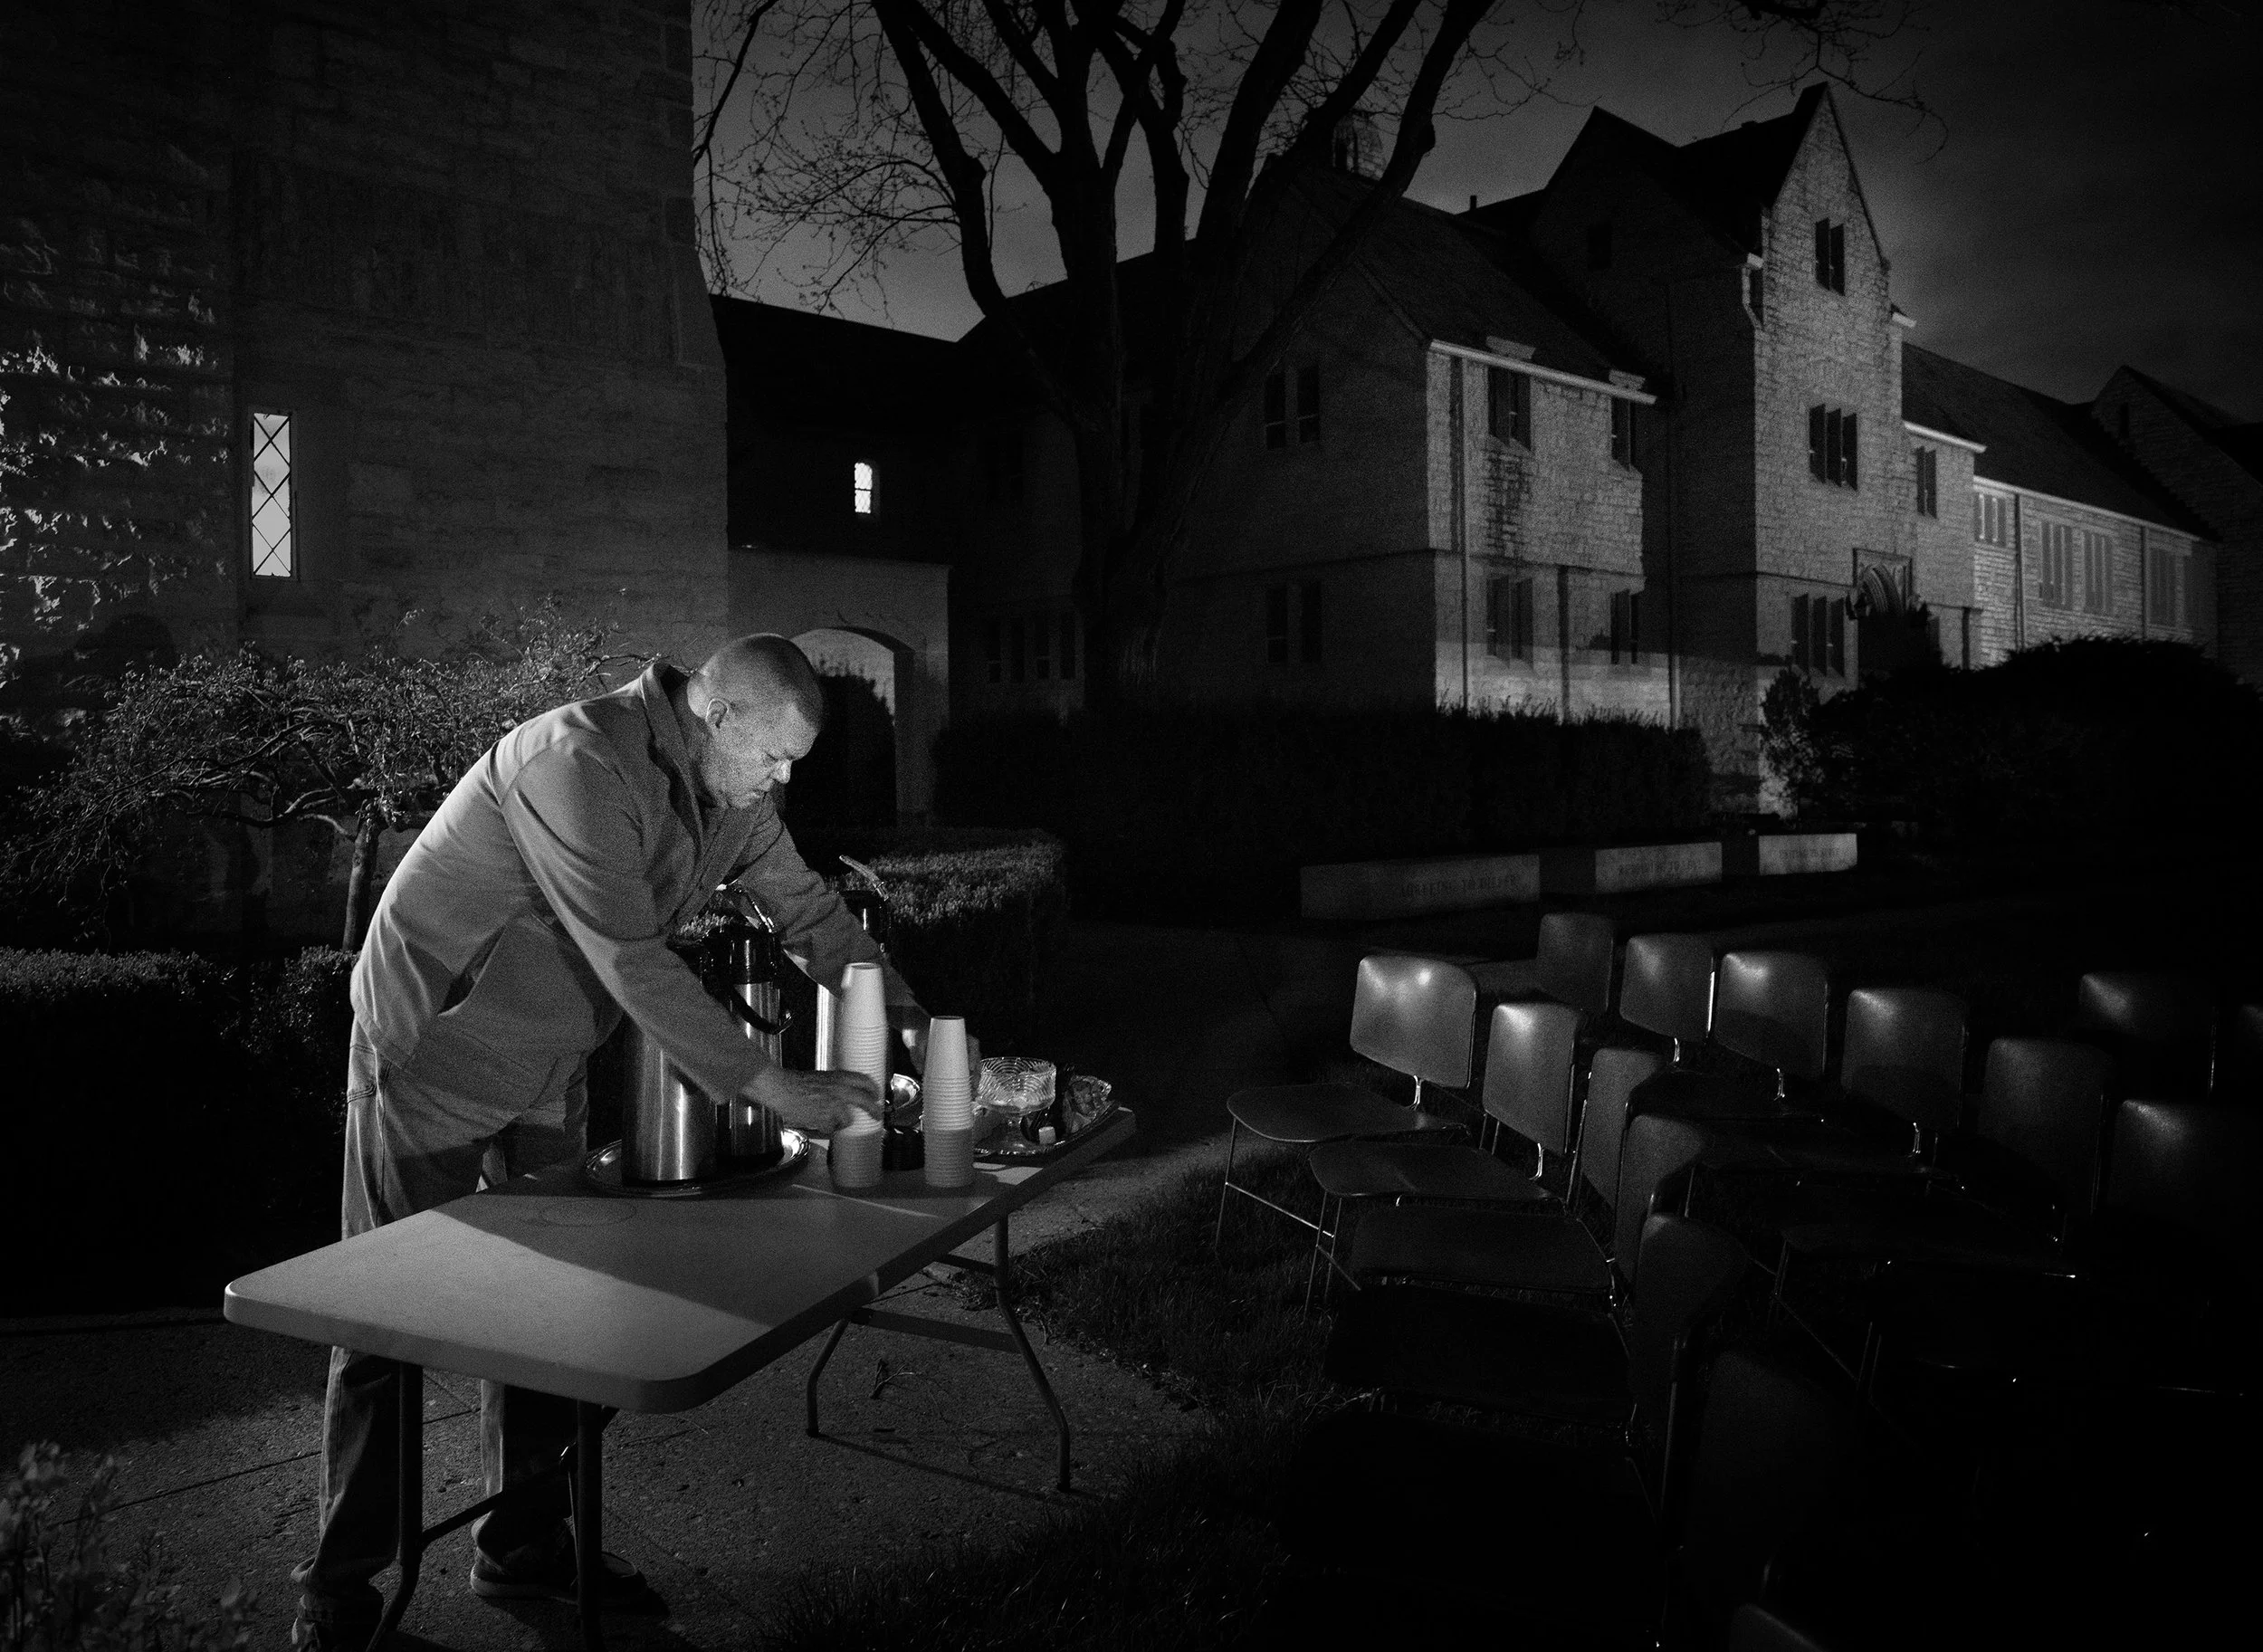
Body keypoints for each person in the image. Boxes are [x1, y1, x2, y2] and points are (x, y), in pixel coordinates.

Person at [291, 635, 922, 1651]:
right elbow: (630, 956)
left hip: (549, 1062)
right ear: (717, 716)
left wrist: (923, 1038)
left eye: (793, 762)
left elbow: (812, 914)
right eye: (774, 755)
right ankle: (340, 1584)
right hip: (435, 1056)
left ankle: (522, 1544)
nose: (782, 779)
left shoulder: (734, 798)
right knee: (386, 1318)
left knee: (559, 1313)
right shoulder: (577, 759)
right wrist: (775, 1087)